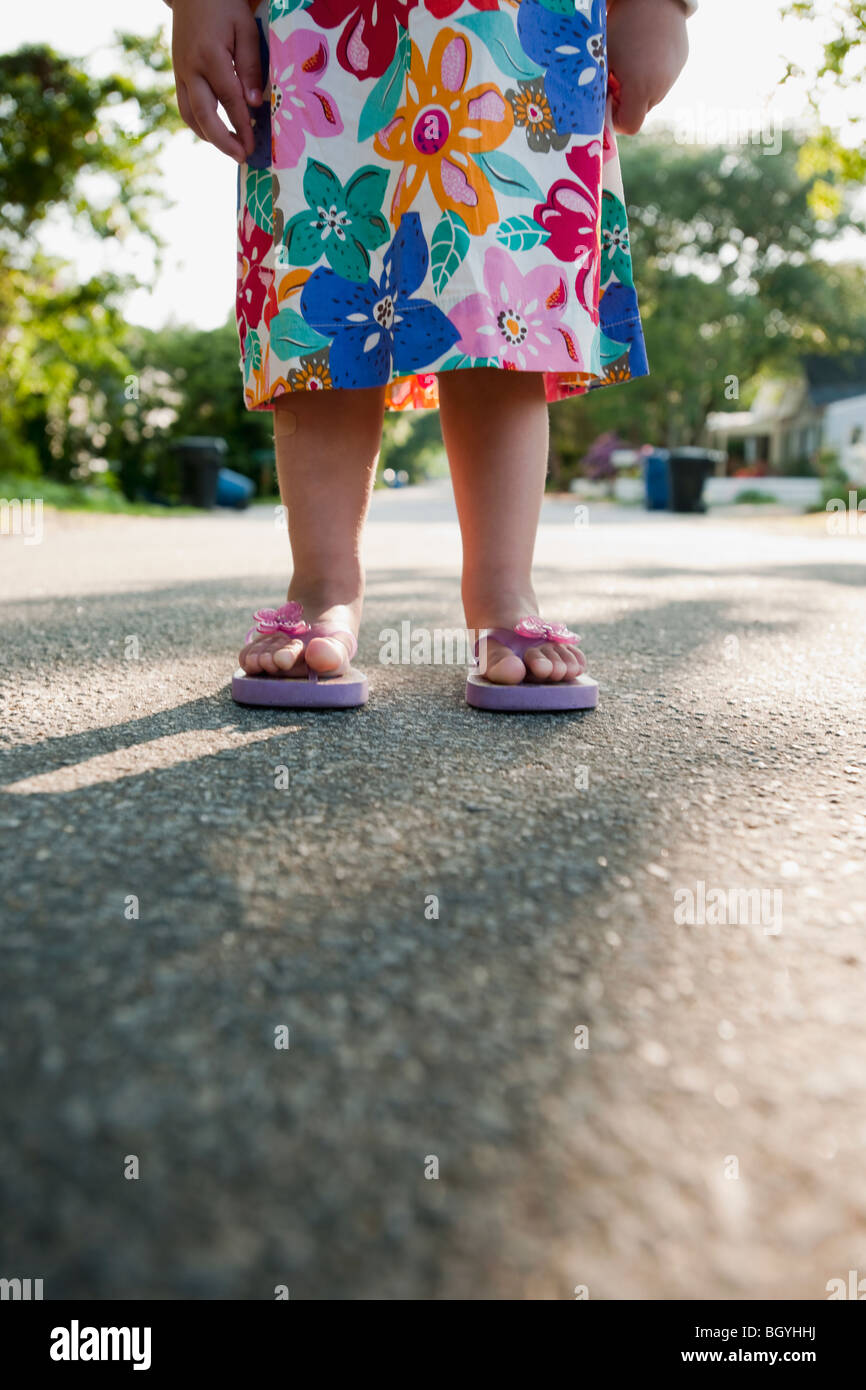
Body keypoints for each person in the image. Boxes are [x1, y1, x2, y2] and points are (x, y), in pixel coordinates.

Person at [166, 0, 694, 709]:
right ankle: (321, 583)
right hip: (319, 23)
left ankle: (505, 593)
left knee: (499, 290)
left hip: (511, 19)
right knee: (325, 275)